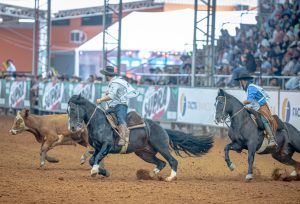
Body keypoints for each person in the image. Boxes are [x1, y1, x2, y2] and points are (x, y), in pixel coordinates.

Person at [96, 66, 139, 146]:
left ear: (107, 75)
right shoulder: (116, 81)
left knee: (120, 118)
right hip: (114, 105)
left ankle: (123, 138)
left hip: (120, 105)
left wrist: (101, 100)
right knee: (103, 116)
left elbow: (111, 96)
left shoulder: (115, 82)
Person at [234, 69, 277, 148]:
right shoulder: (249, 88)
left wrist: (240, 103)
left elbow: (249, 101)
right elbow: (250, 102)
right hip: (256, 107)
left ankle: (272, 139)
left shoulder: (251, 87)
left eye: (240, 81)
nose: (240, 83)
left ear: (243, 81)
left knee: (264, 119)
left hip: (261, 107)